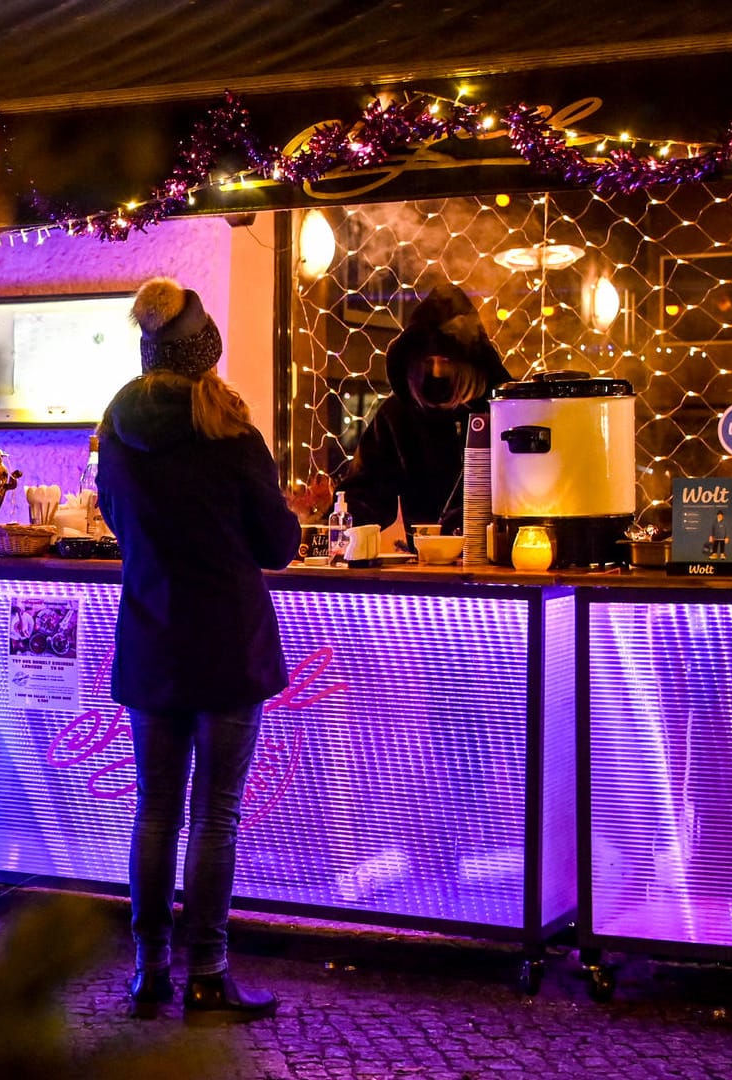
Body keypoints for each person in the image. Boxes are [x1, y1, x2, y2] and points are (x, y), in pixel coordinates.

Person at [98, 278, 300, 1024]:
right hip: (227, 649)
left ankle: (149, 972)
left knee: (155, 812)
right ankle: (208, 974)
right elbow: (277, 546)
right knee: (216, 815)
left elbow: (121, 525)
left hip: (152, 642)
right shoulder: (234, 435)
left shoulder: (116, 434)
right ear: (206, 351)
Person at [340, 282, 513, 531]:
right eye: (427, 362)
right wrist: (335, 528)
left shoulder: (501, 412)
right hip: (427, 559)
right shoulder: (398, 415)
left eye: (445, 361)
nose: (436, 372)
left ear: (468, 363)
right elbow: (364, 493)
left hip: (501, 559)